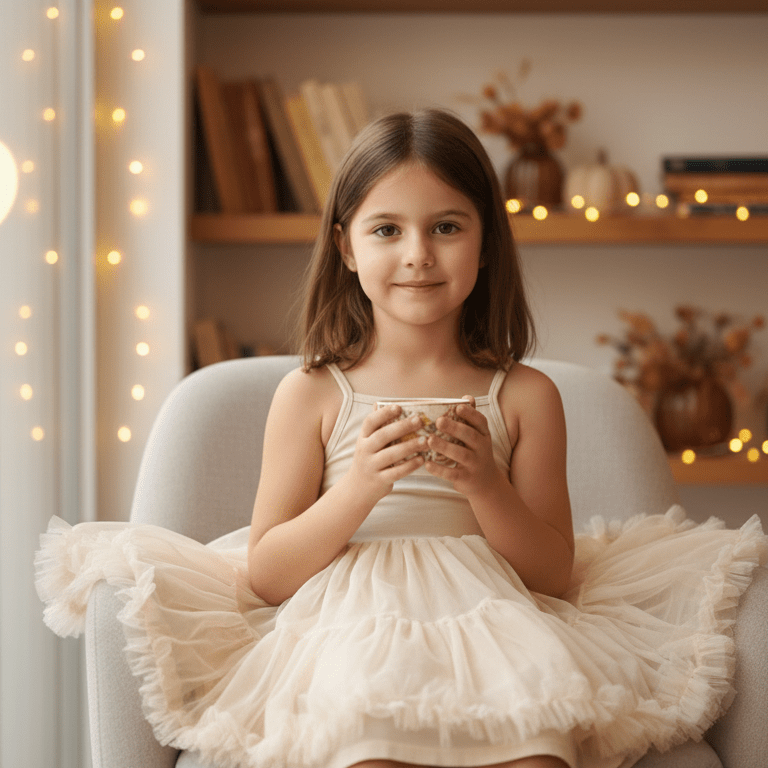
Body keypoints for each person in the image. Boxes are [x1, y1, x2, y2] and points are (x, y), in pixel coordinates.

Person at [35, 109, 766, 768]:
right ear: (347, 248)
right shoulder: (314, 394)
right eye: (387, 229)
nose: (418, 253)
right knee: (370, 745)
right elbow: (267, 572)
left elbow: (553, 575)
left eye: (447, 227)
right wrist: (356, 490)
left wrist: (486, 485)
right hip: (349, 626)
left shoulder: (525, 396)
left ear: (485, 245)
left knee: (537, 749)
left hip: (499, 625)